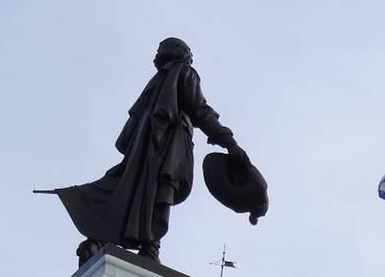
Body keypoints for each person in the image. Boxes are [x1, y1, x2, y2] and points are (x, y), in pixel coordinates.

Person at [46, 37, 245, 263]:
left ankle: (107, 241)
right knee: (156, 190)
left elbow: (199, 111)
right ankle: (147, 248)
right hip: (163, 147)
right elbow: (200, 111)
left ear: (176, 51)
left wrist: (227, 140)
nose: (157, 52)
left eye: (162, 48)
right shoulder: (169, 76)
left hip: (152, 147)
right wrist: (229, 142)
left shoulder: (179, 74)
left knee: (137, 191)